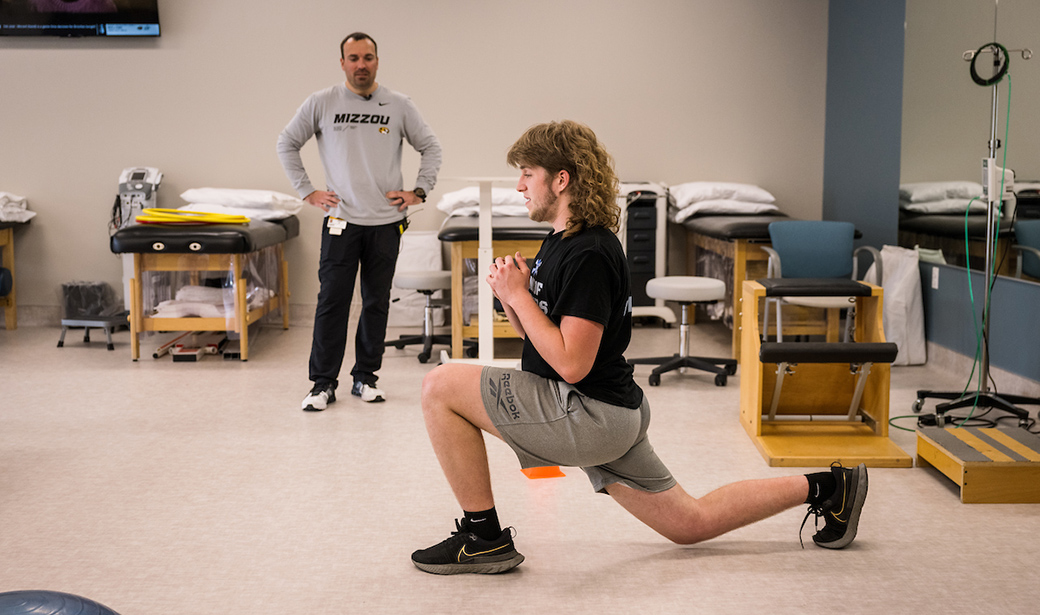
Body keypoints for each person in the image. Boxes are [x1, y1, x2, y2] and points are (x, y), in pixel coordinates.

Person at [410, 120, 868, 575]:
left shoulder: (589, 252)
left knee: (440, 385)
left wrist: (519, 296)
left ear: (561, 178)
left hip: (587, 412)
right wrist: (516, 295)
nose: (519, 186)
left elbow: (571, 363)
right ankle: (829, 486)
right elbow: (541, 340)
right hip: (610, 410)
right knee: (691, 523)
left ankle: (483, 537)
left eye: (528, 173)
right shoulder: (558, 241)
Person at [277, 32, 442, 409]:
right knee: (331, 302)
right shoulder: (322, 102)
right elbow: (286, 142)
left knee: (375, 302)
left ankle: (365, 378)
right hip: (341, 222)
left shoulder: (399, 105)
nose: (361, 65)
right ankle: (322, 384)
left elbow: (431, 146)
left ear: (377, 61)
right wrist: (307, 191)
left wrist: (419, 190)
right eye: (353, 58)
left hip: (386, 223)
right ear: (342, 63)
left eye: (368, 57)